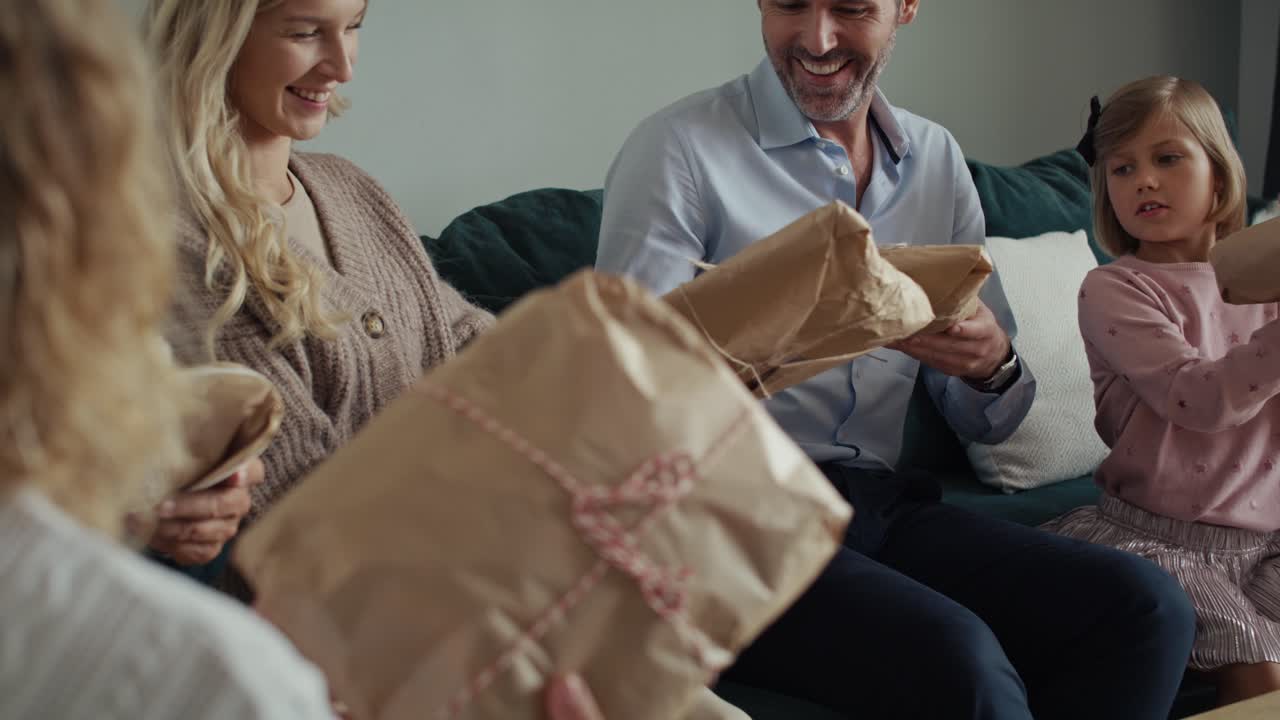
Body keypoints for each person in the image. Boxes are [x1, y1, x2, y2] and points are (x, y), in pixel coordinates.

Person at [597, 2, 1196, 718]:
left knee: (1146, 608)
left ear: (905, 7)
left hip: (877, 503)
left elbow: (989, 415)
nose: (817, 38)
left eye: (851, 7)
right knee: (961, 661)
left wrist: (989, 364)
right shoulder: (679, 148)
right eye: (791, 4)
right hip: (721, 523)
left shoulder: (935, 160)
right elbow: (620, 400)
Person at [0, 1, 335, 715]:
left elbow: (470, 342)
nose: (340, 63)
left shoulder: (353, 193)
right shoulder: (217, 678)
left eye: (356, 26)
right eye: (306, 30)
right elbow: (313, 508)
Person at [1044, 75, 1280, 707]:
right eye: (1122, 169)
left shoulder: (1267, 284)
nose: (1144, 180)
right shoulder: (1116, 289)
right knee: (1256, 660)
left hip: (1265, 542)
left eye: (1168, 158)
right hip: (1156, 539)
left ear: (1219, 176)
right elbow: (1196, 399)